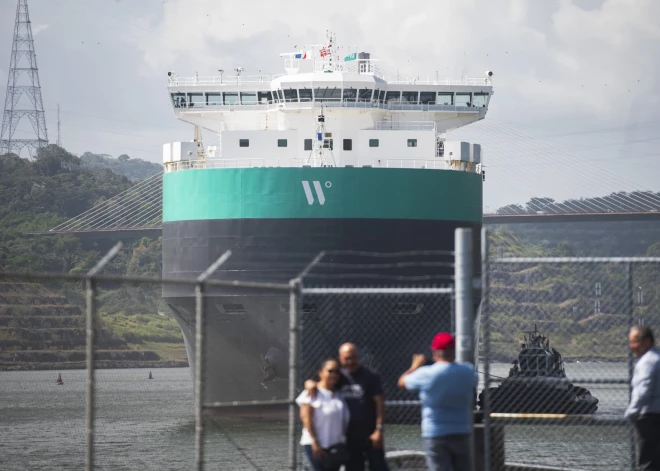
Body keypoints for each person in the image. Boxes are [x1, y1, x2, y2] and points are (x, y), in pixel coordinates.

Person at [398, 332, 476, 471]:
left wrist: (415, 366)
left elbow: (402, 383)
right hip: (461, 431)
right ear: (454, 351)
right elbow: (474, 381)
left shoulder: (426, 374)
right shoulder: (468, 371)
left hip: (435, 432)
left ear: (434, 352)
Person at [306, 343, 389, 471]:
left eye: (353, 357)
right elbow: (324, 384)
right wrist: (309, 383)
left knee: (379, 467)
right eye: (346, 358)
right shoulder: (339, 377)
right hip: (348, 438)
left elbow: (379, 404)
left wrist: (379, 429)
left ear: (358, 357)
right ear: (340, 358)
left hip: (371, 434)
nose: (350, 361)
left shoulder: (371, 376)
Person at [296, 358, 350, 471]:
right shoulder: (312, 393)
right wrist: (315, 442)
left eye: (336, 371)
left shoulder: (338, 394)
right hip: (316, 445)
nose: (334, 374)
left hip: (335, 445)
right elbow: (306, 419)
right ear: (320, 372)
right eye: (330, 371)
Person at [624, 325, 660, 471]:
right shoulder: (657, 357)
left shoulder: (647, 362)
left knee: (647, 463)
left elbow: (643, 390)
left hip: (648, 418)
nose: (631, 346)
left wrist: (631, 412)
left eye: (635, 342)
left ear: (646, 341)